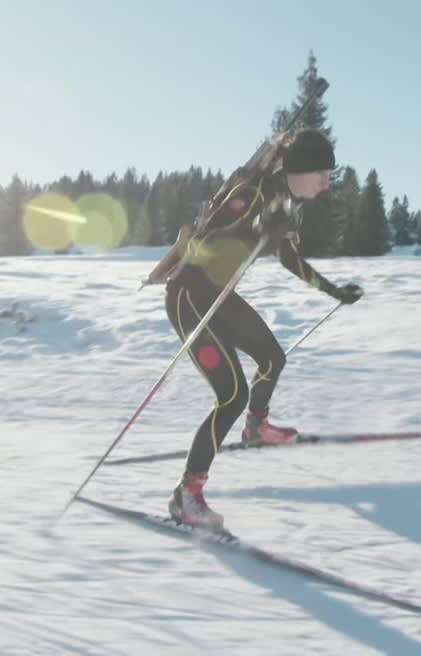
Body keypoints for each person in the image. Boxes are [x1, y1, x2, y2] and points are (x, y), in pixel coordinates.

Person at [147, 128, 363, 529]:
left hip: (218, 295)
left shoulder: (288, 203)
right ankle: (187, 496)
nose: (327, 182)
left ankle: (256, 428)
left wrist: (334, 291)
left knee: (271, 358)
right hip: (190, 296)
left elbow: (290, 260)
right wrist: (258, 228)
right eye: (324, 173)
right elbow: (203, 242)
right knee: (231, 395)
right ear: (302, 169)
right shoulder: (254, 192)